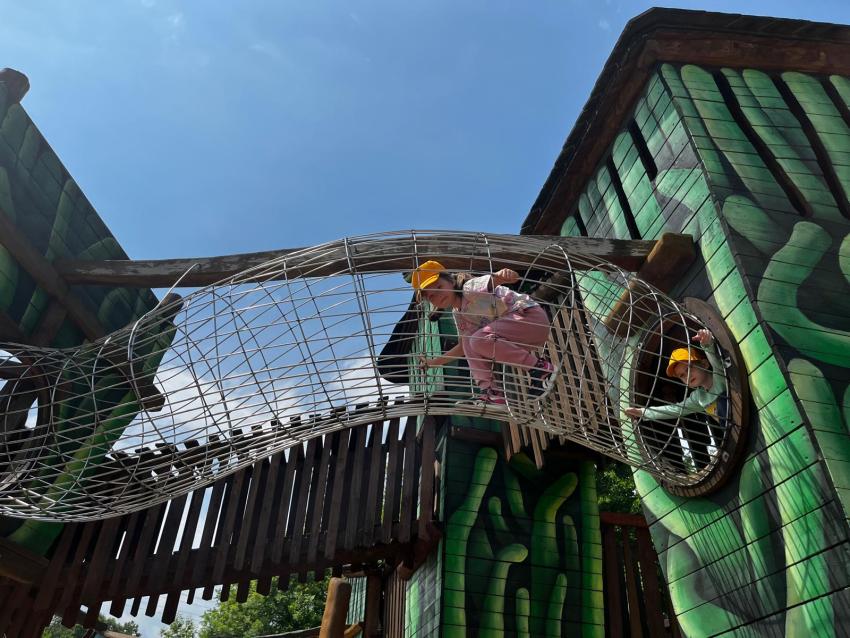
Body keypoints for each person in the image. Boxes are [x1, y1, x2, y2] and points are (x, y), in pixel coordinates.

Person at [410, 259, 554, 405]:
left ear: (451, 281)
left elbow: (491, 281)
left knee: (476, 339)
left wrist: (502, 276)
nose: (438, 295)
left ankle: (540, 368)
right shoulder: (458, 314)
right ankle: (491, 392)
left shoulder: (468, 289)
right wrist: (434, 362)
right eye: (432, 296)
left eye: (439, 287)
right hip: (518, 336)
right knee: (468, 340)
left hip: (530, 318)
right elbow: (463, 348)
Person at [625, 329, 727, 423]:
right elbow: (675, 410)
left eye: (689, 368)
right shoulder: (699, 397)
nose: (687, 376)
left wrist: (707, 343)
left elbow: (714, 360)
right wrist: (643, 412)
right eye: (682, 375)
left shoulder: (719, 375)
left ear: (704, 364)